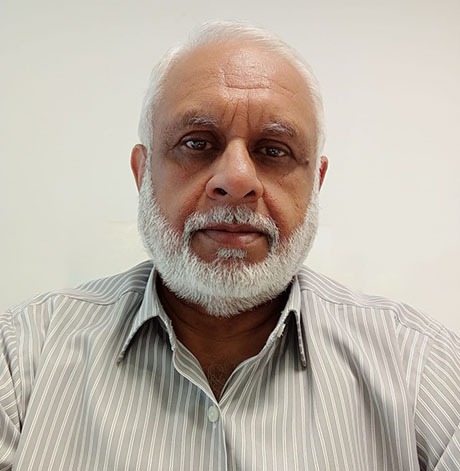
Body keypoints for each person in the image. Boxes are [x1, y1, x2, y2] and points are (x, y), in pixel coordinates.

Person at [1, 20, 459, 471]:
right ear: (143, 173)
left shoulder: (420, 367)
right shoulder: (21, 358)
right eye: (197, 143)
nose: (237, 180)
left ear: (315, 183)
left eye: (274, 150)